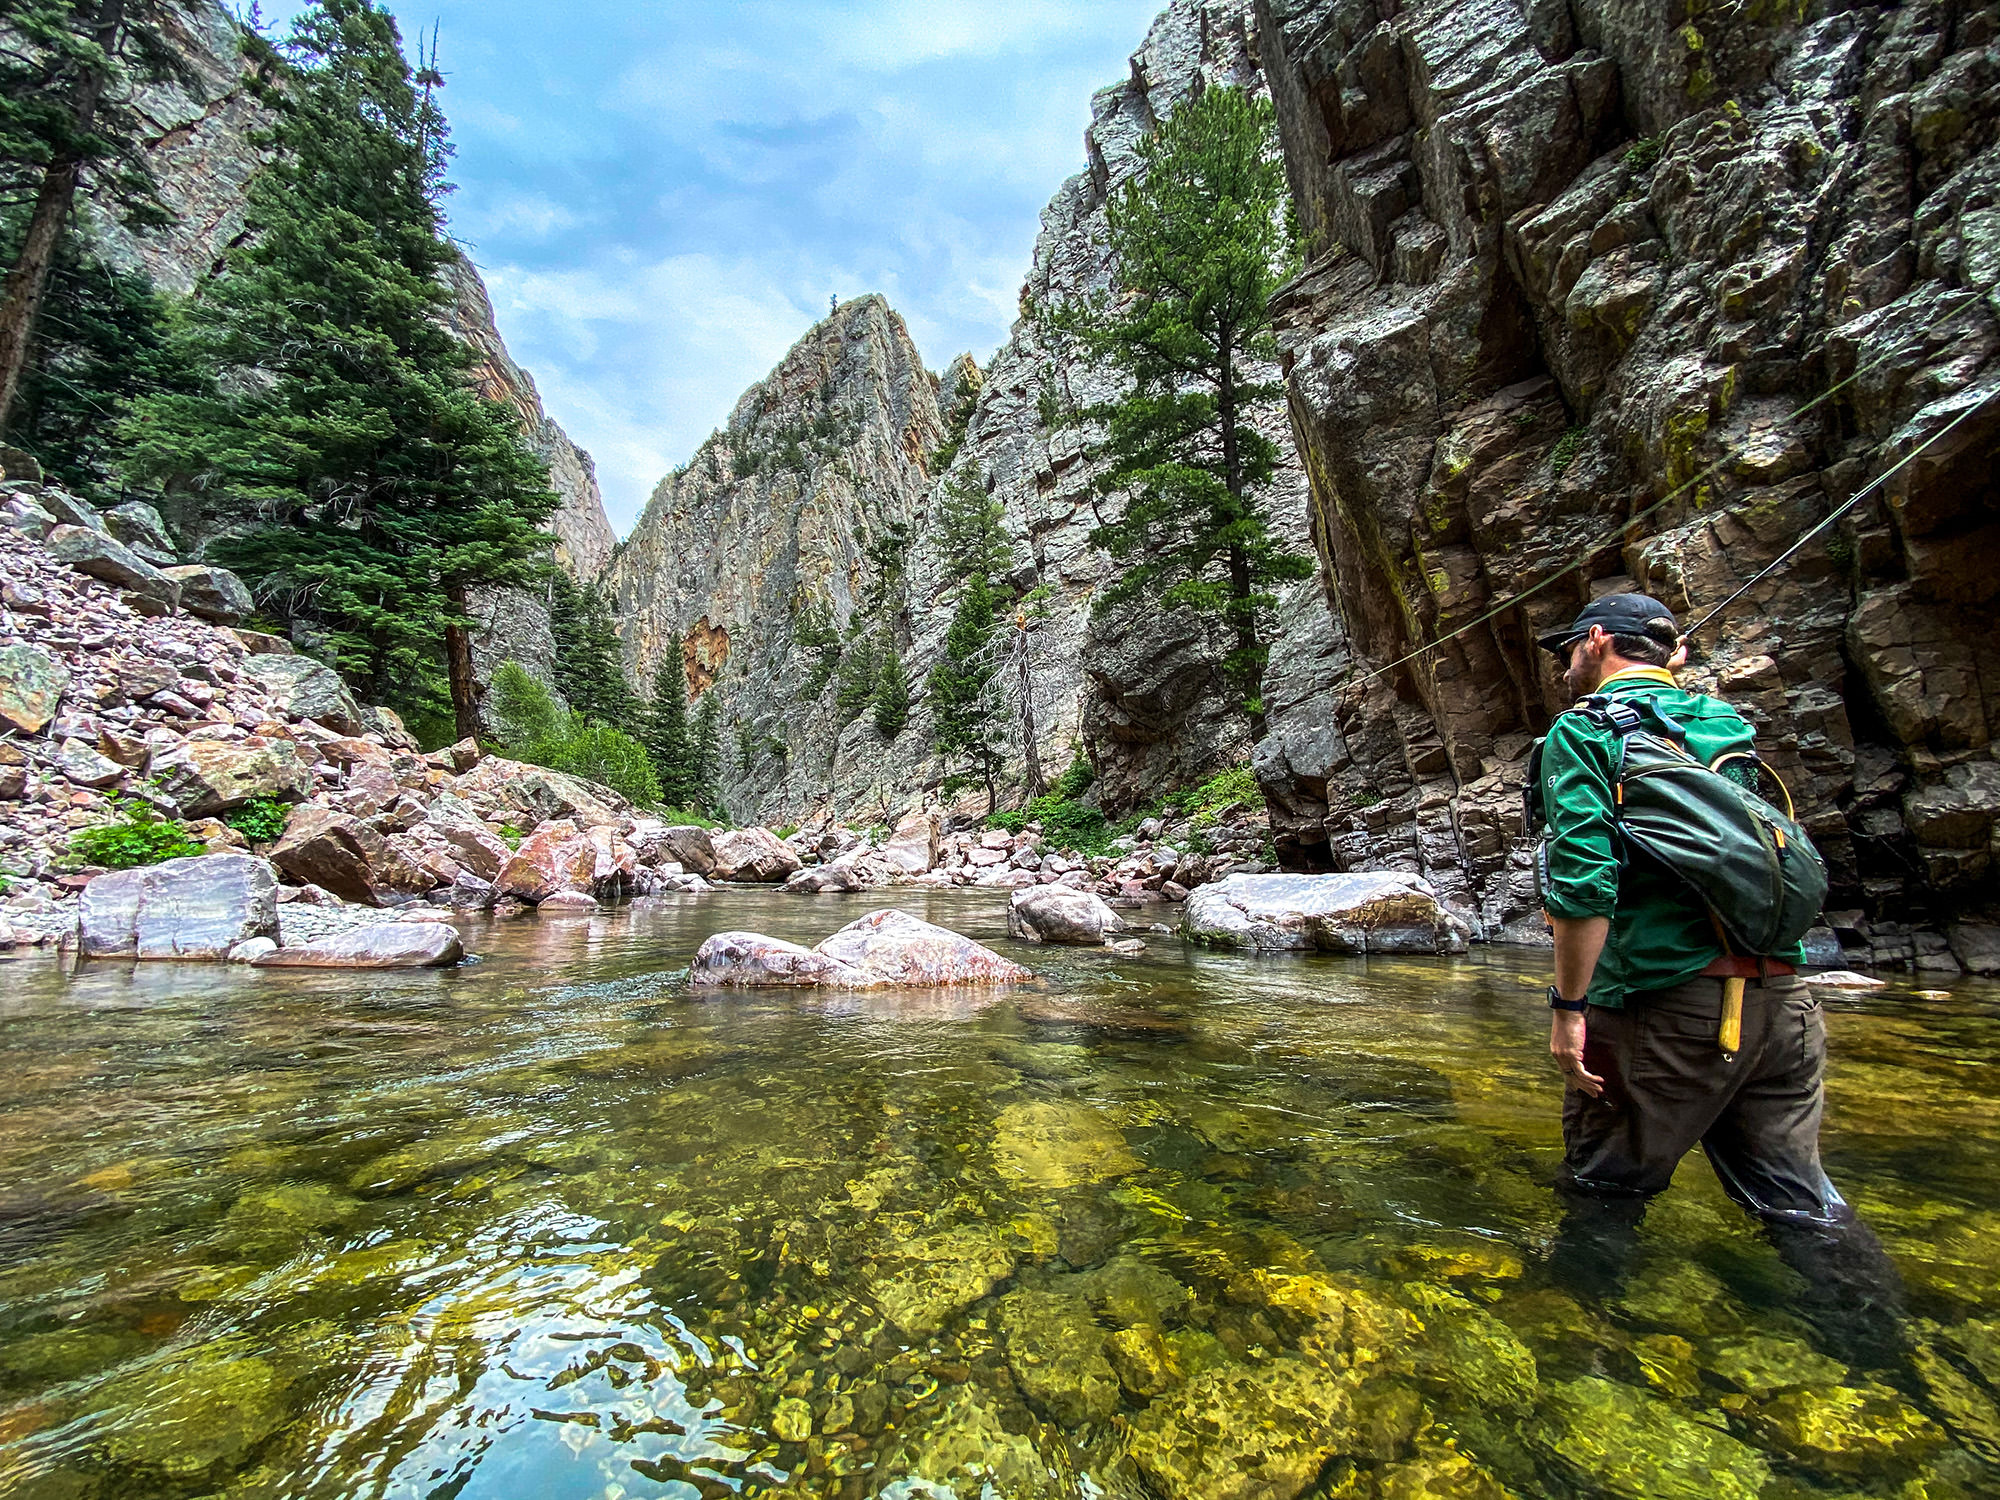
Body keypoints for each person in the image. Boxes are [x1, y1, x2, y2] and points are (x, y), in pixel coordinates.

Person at [1533, 592, 1834, 1219]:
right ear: (1679, 654)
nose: (1564, 668)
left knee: (1602, 1196)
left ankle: (1581, 1315)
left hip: (1664, 1008)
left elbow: (1584, 880)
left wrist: (1568, 1010)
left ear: (1595, 640)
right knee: (1799, 1209)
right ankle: (1873, 1314)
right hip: (1783, 1006)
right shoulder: (1727, 725)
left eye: (1568, 651)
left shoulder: (1586, 729)